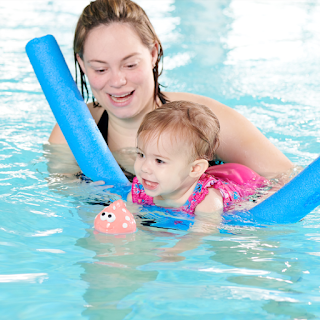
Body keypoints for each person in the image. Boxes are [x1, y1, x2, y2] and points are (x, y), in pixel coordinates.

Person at [49, 0, 293, 181]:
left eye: (130, 64)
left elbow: (286, 179)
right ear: (82, 65)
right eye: (101, 70)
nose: (117, 81)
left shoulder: (200, 119)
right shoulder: (71, 133)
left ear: (153, 53)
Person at [127, 101, 268, 214]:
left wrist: (173, 250)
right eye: (141, 154)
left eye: (159, 161)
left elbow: (199, 238)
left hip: (249, 186)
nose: (144, 167)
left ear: (194, 168)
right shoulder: (139, 191)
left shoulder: (208, 202)